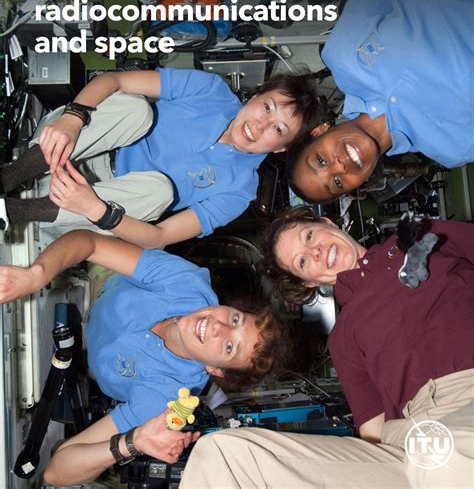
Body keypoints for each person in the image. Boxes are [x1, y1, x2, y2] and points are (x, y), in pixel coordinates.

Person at [204, 206, 474, 488]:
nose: (315, 252)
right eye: (302, 261)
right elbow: (373, 432)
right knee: (222, 457)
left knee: (438, 459)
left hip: (458, 402)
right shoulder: (342, 338)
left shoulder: (417, 236)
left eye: (309, 236)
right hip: (410, 437)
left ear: (327, 222)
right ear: (309, 282)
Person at [0, 229, 286, 485]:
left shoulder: (165, 401)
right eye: (235, 319)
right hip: (98, 288)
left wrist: (132, 442)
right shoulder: (186, 282)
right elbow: (89, 243)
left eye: (229, 347)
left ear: (215, 369)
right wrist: (35, 275)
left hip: (82, 358)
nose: (218, 327)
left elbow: (56, 471)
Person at [1, 67, 325, 247]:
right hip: (72, 139)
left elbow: (160, 237)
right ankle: (8, 175)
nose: (261, 125)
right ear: (256, 94)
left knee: (162, 192)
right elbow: (113, 80)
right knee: (137, 109)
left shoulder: (239, 192)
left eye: (278, 129)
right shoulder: (210, 90)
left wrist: (96, 209)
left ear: (281, 148)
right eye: (267, 107)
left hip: (94, 204)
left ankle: (10, 211)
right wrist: (73, 119)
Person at [286, 0, 474, 203]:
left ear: (319, 131)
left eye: (320, 160)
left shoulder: (342, 55)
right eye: (337, 183)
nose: (339, 167)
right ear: (360, 184)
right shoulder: (454, 147)